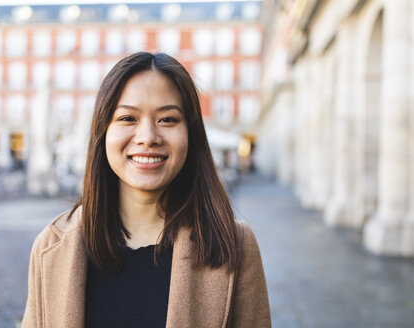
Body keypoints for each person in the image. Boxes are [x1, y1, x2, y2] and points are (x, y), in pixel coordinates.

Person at [21, 52, 271, 328]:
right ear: (103, 132)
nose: (148, 137)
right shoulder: (51, 245)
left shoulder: (235, 245)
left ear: (191, 134)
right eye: (128, 118)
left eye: (167, 119)